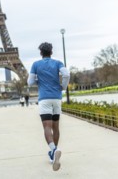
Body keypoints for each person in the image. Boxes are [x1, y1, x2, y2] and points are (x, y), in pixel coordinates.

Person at [27, 42, 70, 171]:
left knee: (47, 126)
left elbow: (30, 82)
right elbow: (66, 74)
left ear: (41, 53)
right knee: (56, 127)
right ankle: (53, 155)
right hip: (56, 98)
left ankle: (54, 149)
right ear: (51, 52)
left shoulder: (36, 64)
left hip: (44, 99)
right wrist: (63, 86)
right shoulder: (58, 63)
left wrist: (39, 80)